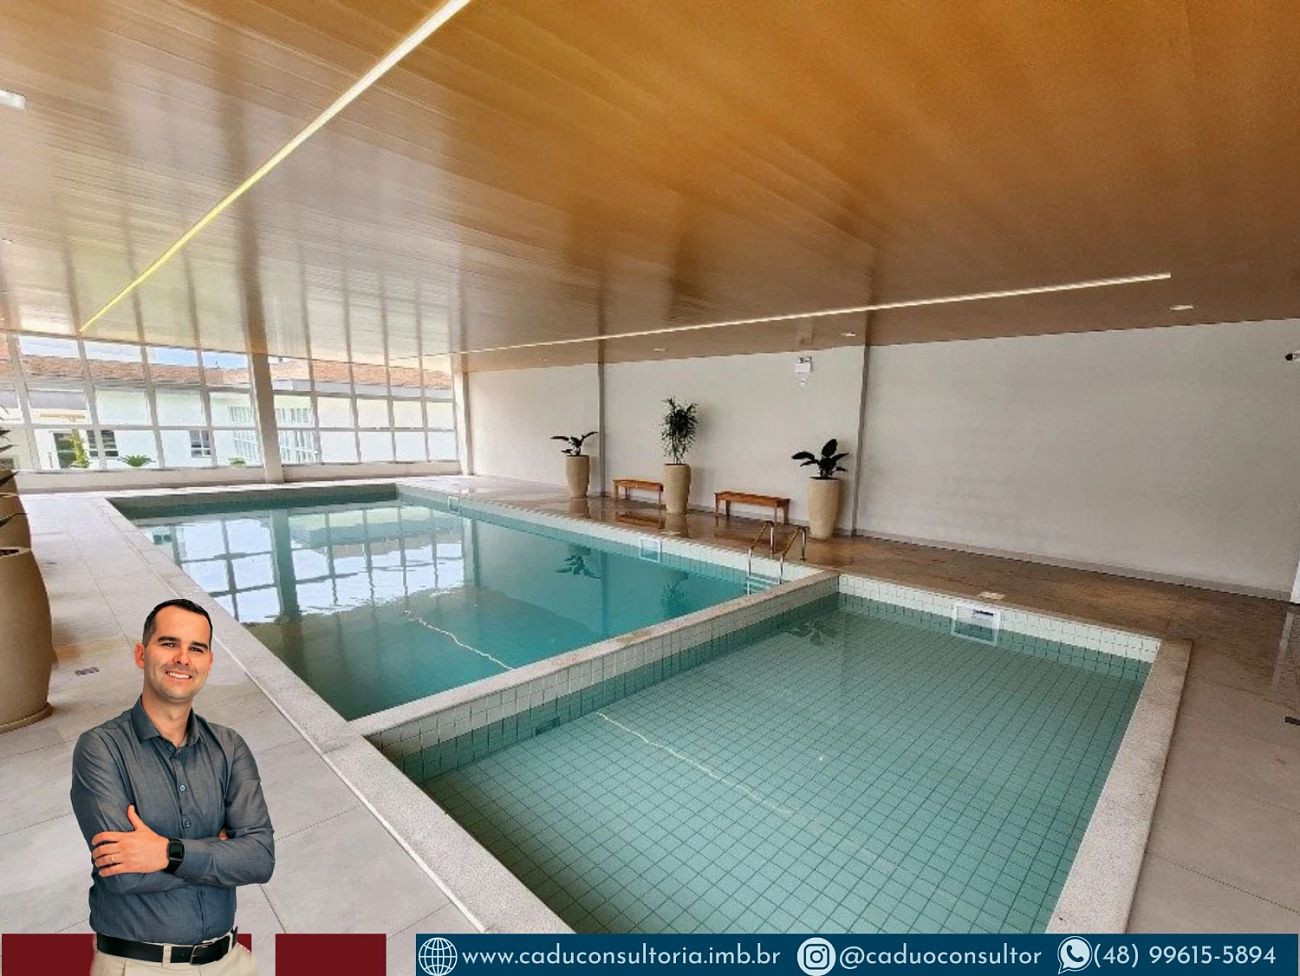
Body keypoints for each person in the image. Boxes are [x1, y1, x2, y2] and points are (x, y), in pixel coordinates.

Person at [70, 598, 275, 975]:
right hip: (138, 965)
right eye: (169, 643)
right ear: (141, 654)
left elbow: (259, 858)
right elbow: (124, 872)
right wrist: (219, 850)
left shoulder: (229, 747)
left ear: (208, 662)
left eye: (196, 648)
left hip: (230, 962)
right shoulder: (101, 749)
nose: (183, 658)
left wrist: (167, 852)